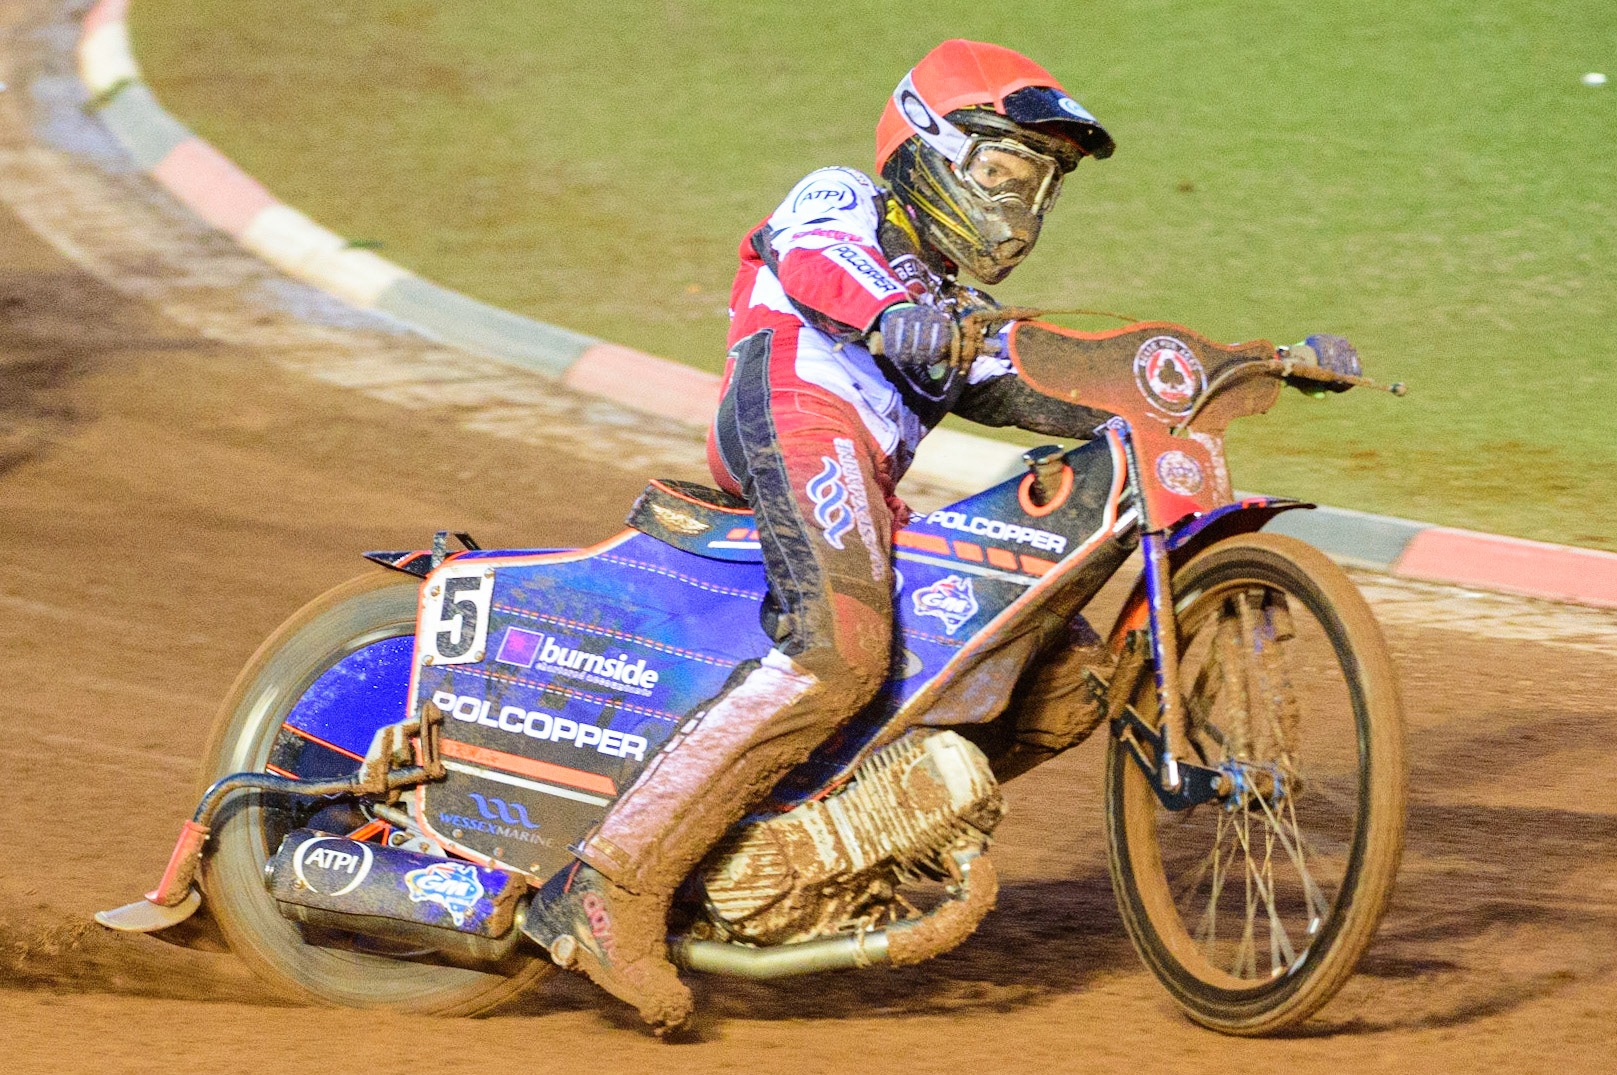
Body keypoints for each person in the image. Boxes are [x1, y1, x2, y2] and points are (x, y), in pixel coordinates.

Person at [528, 39, 1120, 1033]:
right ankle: (606, 885)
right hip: (794, 409)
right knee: (840, 649)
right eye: (1009, 172)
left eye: (1042, 187)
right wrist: (895, 312)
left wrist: (1229, 368)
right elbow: (819, 262)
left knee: (1064, 681)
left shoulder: (954, 308)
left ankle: (828, 848)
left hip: (866, 476)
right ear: (932, 148)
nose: (1023, 207)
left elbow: (1044, 377)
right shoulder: (846, 201)